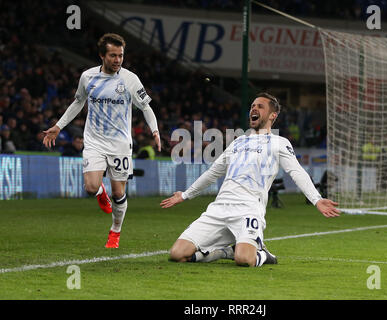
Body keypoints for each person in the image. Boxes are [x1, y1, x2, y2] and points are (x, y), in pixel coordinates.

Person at [160, 93, 340, 267]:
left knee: (244, 259)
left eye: (260, 106)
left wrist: (316, 199)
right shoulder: (238, 142)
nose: (254, 108)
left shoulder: (279, 142)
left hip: (248, 210)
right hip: (219, 208)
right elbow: (213, 172)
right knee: (177, 254)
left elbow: (296, 172)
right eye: (253, 105)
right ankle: (225, 251)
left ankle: (261, 253)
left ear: (272, 115)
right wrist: (185, 195)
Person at [43, 33, 161, 248]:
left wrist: (155, 131)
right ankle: (100, 193)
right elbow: (78, 103)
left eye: (121, 55)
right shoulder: (88, 77)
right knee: (90, 187)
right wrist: (58, 126)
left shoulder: (130, 79)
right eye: (113, 55)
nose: (118, 60)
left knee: (119, 192)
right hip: (94, 141)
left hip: (120, 144)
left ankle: (115, 231)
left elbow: (146, 107)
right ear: (102, 55)